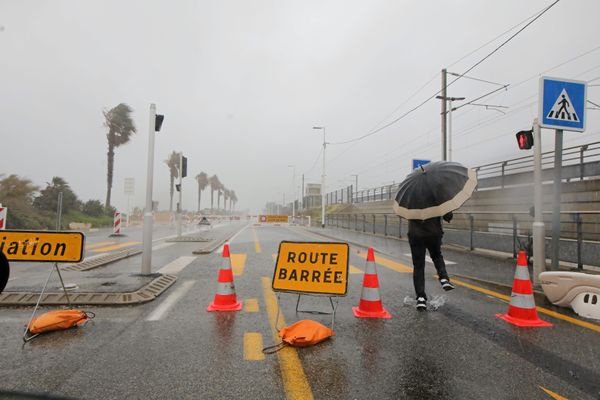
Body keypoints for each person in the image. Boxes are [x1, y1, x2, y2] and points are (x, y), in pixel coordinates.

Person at [408, 211, 455, 311]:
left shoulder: (410, 198)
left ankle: (421, 298)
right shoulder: (436, 196)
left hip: (416, 234)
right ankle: (444, 279)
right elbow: (448, 217)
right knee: (436, 255)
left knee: (418, 266)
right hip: (433, 232)